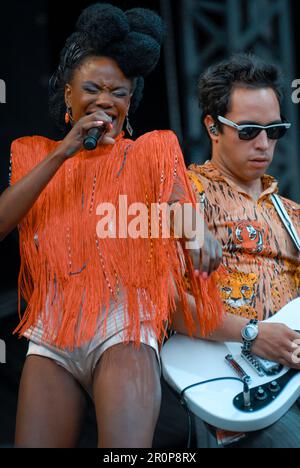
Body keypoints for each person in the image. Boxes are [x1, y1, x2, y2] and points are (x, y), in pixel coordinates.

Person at [0, 3, 222, 448]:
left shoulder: (151, 150)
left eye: (119, 93)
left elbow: (181, 207)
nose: (106, 101)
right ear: (67, 95)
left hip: (123, 325)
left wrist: (198, 233)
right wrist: (64, 152)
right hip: (52, 329)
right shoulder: (32, 153)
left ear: (130, 102)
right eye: (93, 89)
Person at [173, 53, 300, 448]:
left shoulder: (293, 215)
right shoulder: (182, 198)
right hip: (231, 381)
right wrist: (251, 334)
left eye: (274, 130)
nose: (264, 144)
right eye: (248, 131)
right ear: (212, 126)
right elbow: (163, 302)